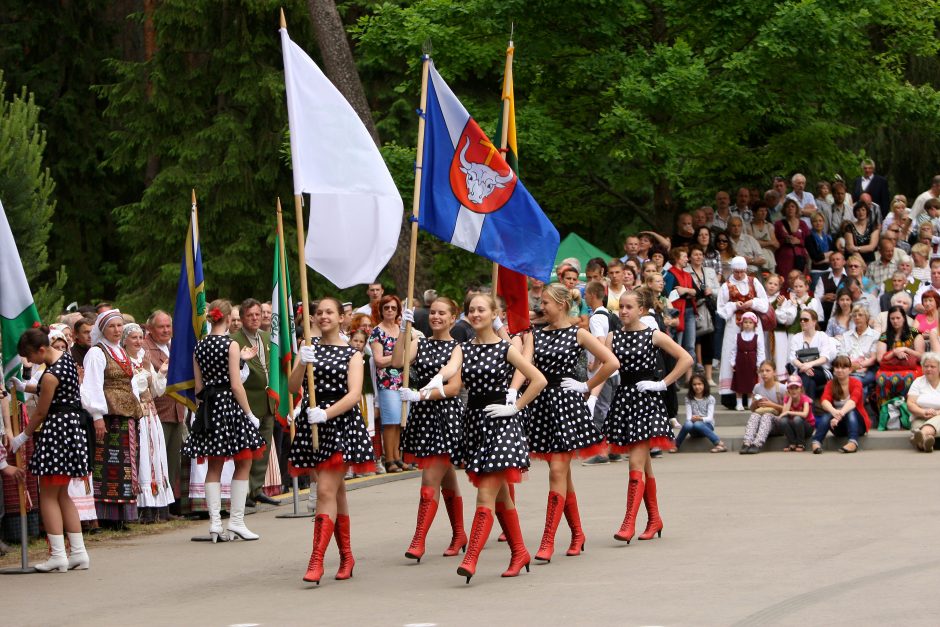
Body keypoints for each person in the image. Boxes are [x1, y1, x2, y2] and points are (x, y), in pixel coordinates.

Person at [420, 293, 547, 583]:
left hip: (502, 425)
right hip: (476, 425)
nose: (475, 314)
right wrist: (434, 382)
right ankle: (519, 552)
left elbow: (537, 379)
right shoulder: (463, 348)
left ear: (493, 314)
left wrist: (514, 406)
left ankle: (471, 557)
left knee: (486, 494)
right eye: (471, 310)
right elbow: (451, 370)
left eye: (481, 309)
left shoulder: (506, 348)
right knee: (501, 494)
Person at [523, 283, 618, 562]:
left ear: (562, 304)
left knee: (557, 471)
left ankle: (548, 540)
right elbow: (523, 365)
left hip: (566, 407)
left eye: (547, 303)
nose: (542, 307)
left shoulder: (578, 333)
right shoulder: (536, 335)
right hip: (542, 406)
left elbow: (610, 362)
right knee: (563, 475)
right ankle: (577, 534)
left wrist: (586, 386)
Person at [288, 297, 375, 584]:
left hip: (338, 424)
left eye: (329, 312)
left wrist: (325, 414)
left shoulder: (352, 354)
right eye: (318, 312)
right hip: (312, 424)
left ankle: (316, 560)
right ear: (312, 318)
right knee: (335, 494)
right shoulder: (308, 348)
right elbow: (291, 386)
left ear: (341, 318)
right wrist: (302, 361)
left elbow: (353, 395)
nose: (323, 316)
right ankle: (347, 556)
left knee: (325, 492)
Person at [605, 289, 693, 543]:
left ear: (641, 310)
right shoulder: (614, 336)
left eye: (629, 307)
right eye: (621, 306)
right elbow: (602, 365)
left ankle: (628, 523)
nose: (623, 311)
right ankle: (654, 519)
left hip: (647, 402)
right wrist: (588, 392)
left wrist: (662, 383)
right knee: (644, 464)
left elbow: (685, 359)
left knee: (635, 464)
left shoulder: (653, 335)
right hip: (624, 401)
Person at [181, 300, 266, 543]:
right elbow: (237, 385)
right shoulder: (231, 345)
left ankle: (215, 524)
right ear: (229, 319)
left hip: (209, 406)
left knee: (214, 465)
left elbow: (198, 386)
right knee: (244, 460)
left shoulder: (200, 346)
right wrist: (249, 414)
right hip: (229, 405)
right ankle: (236, 521)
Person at [9, 327, 91, 571]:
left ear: (42, 350)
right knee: (63, 494)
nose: (29, 361)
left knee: (47, 495)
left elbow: (43, 410)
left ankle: (58, 555)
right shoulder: (65, 359)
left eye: (31, 356)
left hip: (57, 432)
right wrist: (25, 387)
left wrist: (22, 436)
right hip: (72, 431)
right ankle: (78, 552)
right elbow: (50, 389)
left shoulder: (51, 374)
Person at [392, 297, 468, 562]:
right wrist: (403, 328)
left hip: (445, 417)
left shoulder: (456, 347)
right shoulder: (419, 342)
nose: (436, 317)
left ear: (452, 318)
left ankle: (418, 540)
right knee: (445, 476)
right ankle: (459, 534)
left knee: (429, 480)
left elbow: (454, 388)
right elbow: (396, 361)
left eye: (442, 313)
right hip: (422, 418)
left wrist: (420, 395)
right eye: (433, 312)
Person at [80, 309, 142, 528]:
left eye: (119, 326)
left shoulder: (120, 351)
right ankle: (107, 516)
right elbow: (92, 385)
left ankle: (122, 514)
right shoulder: (97, 353)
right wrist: (97, 416)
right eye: (111, 326)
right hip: (109, 417)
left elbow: (130, 383)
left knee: (126, 463)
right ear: (102, 329)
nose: (116, 330)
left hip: (127, 415)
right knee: (108, 465)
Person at [229, 299, 279, 507]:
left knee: (264, 448)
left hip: (269, 400)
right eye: (250, 315)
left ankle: (256, 489)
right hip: (248, 401)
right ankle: (245, 490)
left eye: (258, 314)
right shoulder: (234, 340)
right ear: (241, 319)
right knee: (247, 449)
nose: (255, 318)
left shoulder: (268, 337)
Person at [123, 324, 174, 523]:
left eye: (140, 337)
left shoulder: (143, 358)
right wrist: (145, 373)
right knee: (143, 455)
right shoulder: (124, 359)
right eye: (133, 337)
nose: (138, 341)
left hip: (151, 413)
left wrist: (159, 373)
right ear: (125, 340)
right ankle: (143, 507)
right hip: (138, 413)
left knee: (156, 456)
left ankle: (159, 505)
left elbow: (156, 391)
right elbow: (132, 387)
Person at [143, 310, 186, 514]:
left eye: (168, 326)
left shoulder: (173, 346)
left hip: (178, 411)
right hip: (158, 412)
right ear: (150, 328)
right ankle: (158, 508)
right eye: (161, 326)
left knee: (173, 461)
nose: (166, 330)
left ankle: (169, 506)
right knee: (158, 462)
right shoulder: (145, 348)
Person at [717, 257, 770, 395]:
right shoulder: (726, 285)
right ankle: (732, 392)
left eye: (741, 271)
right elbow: (721, 309)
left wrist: (752, 303)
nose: (739, 275)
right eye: (736, 272)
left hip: (753, 324)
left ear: (745, 270)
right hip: (734, 325)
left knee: (756, 352)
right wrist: (734, 305)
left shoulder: (754, 282)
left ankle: (757, 390)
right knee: (732, 352)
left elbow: (765, 303)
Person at [370, 294, 406, 472]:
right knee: (390, 420)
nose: (390, 311)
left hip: (403, 380)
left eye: (393, 308)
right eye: (386, 308)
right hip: (386, 381)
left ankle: (397, 456)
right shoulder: (377, 331)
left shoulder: (402, 330)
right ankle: (389, 458)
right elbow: (379, 360)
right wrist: (399, 357)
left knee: (400, 420)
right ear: (381, 311)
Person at [812, 355, 871, 454]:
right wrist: (834, 412)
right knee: (827, 415)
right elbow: (824, 401)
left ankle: (853, 442)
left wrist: (839, 415)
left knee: (850, 411)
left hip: (857, 424)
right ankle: (816, 442)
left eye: (843, 367)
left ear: (850, 370)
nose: (839, 370)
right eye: (837, 367)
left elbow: (853, 402)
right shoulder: (830, 384)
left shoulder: (856, 383)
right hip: (837, 425)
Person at [875, 306, 925, 408]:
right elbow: (880, 359)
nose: (895, 321)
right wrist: (894, 352)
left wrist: (905, 349)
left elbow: (922, 356)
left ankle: (908, 410)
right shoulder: (885, 335)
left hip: (912, 367)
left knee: (909, 378)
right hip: (889, 368)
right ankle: (886, 412)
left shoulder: (914, 333)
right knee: (881, 378)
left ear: (904, 318)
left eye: (898, 318)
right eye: (892, 318)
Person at [787, 309, 837, 401]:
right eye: (801, 319)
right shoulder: (796, 337)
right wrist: (803, 366)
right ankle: (809, 410)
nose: (802, 322)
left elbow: (824, 357)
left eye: (805, 319)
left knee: (805, 377)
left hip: (821, 370)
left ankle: (800, 407)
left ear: (814, 321)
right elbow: (793, 358)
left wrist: (809, 365)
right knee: (810, 382)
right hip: (801, 369)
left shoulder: (822, 336)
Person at [688, 245, 719, 385]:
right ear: (689, 257)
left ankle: (708, 376)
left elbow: (719, 290)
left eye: (700, 254)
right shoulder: (686, 271)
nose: (698, 257)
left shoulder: (710, 271)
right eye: (695, 254)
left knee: (709, 341)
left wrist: (711, 290)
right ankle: (691, 377)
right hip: (693, 308)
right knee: (693, 341)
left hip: (709, 309)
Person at [741, 361, 787, 454]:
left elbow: (787, 410)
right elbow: (752, 409)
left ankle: (757, 444)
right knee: (755, 415)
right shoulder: (757, 387)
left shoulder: (782, 388)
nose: (764, 373)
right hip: (762, 423)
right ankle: (747, 442)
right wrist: (755, 403)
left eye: (767, 370)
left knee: (767, 416)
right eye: (762, 371)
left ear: (774, 372)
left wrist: (771, 404)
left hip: (778, 423)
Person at [663, 246, 697, 372]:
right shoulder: (670, 274)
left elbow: (696, 291)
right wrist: (684, 293)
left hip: (689, 311)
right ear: (677, 259)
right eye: (684, 257)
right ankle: (675, 377)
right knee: (677, 345)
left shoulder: (687, 275)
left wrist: (685, 290)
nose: (687, 259)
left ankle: (690, 377)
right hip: (677, 312)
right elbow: (667, 294)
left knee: (690, 346)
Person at [674, 374, 726, 452]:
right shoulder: (688, 398)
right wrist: (692, 419)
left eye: (699, 384)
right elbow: (688, 417)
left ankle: (719, 443)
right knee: (688, 424)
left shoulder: (710, 399)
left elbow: (709, 418)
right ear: (691, 386)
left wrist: (700, 418)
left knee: (698, 424)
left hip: (707, 426)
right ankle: (676, 445)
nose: (697, 387)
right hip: (693, 428)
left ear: (704, 384)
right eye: (694, 384)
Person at [840, 306, 880, 399]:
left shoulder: (875, 336)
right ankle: (855, 411)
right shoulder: (846, 335)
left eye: (860, 315)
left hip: (868, 368)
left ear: (866, 317)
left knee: (855, 381)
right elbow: (842, 355)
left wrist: (859, 365)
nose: (857, 317)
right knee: (860, 387)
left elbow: (873, 358)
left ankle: (850, 410)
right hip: (848, 368)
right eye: (854, 315)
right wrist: (849, 365)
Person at [729, 312, 765, 411]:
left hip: (752, 362)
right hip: (740, 362)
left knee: (751, 382)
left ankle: (750, 402)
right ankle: (739, 403)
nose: (748, 324)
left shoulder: (757, 337)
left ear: (754, 325)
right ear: (742, 324)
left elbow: (761, 352)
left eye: (750, 322)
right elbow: (733, 350)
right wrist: (733, 362)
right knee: (739, 382)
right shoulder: (738, 336)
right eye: (745, 322)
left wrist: (759, 364)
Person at [906, 352, 940, 452]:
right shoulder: (918, 382)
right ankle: (926, 444)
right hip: (920, 417)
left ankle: (923, 434)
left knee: (919, 433)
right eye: (926, 366)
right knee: (919, 432)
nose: (928, 369)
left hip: (939, 417)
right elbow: (910, 403)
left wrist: (936, 413)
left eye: (932, 366)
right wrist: (923, 412)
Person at [774, 198, 810, 279]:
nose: (790, 208)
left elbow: (808, 242)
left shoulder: (802, 224)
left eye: (793, 206)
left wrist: (799, 241)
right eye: (788, 207)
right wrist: (785, 240)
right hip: (784, 258)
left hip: (799, 258)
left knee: (799, 280)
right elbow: (775, 241)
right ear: (784, 209)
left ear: (796, 209)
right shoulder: (778, 224)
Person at [778, 375, 814, 452]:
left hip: (807, 427)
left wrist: (789, 412)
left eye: (796, 388)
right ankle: (792, 443)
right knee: (783, 420)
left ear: (801, 389)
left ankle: (801, 443)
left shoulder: (804, 398)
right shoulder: (787, 398)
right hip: (794, 426)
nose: (794, 390)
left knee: (797, 418)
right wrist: (790, 398)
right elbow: (784, 413)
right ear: (788, 390)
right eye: (791, 388)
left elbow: (805, 414)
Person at [746, 202, 778, 273]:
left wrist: (760, 242)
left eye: (765, 211)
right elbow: (752, 244)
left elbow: (776, 244)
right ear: (754, 213)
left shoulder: (769, 226)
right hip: (756, 259)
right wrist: (769, 243)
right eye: (761, 211)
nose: (764, 213)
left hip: (770, 259)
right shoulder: (749, 226)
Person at [806, 212, 833, 289]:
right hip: (816, 272)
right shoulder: (809, 238)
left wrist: (821, 259)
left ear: (824, 222)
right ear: (811, 223)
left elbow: (833, 254)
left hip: (829, 270)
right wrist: (828, 254)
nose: (818, 223)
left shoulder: (828, 238)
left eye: (820, 221)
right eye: (815, 221)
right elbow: (816, 257)